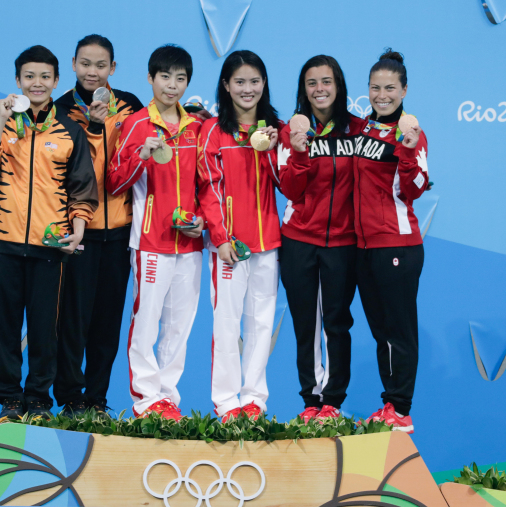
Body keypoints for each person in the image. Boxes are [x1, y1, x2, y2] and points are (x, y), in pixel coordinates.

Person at [0, 45, 98, 423]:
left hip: (50, 245)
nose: (37, 83)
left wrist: (77, 233)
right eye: (29, 76)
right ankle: (9, 399)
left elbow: (82, 189)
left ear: (56, 81)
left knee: (45, 328)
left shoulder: (70, 129)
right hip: (3, 241)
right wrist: (0, 120)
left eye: (44, 76)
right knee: (5, 327)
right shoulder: (2, 123)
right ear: (17, 81)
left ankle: (39, 399)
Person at [106, 44, 203, 421]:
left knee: (180, 325)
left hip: (191, 243)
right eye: (165, 77)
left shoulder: (198, 127)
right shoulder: (134, 125)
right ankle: (146, 400)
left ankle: (168, 398)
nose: (172, 86)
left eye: (180, 79)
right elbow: (114, 182)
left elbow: (208, 186)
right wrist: (140, 156)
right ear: (150, 78)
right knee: (146, 319)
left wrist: (204, 224)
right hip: (150, 242)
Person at [52, 34, 144, 417]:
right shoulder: (59, 111)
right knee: (72, 320)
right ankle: (71, 398)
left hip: (120, 230)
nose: (93, 72)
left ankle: (97, 401)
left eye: (101, 65)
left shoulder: (130, 106)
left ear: (113, 68)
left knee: (107, 323)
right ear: (73, 64)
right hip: (78, 233)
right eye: (86, 64)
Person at [277, 55, 363, 423]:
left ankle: (333, 400)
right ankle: (311, 402)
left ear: (339, 86)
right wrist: (298, 150)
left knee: (337, 322)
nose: (320, 89)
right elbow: (290, 189)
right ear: (304, 90)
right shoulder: (290, 131)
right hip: (299, 239)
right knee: (306, 325)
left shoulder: (358, 131)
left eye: (326, 82)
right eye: (312, 83)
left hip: (343, 243)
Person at [197, 50, 281, 423]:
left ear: (264, 84)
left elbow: (288, 184)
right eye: (240, 82)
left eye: (255, 81)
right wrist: (221, 237)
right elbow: (209, 187)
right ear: (226, 86)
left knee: (262, 322)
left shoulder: (276, 129)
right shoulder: (213, 130)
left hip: (268, 243)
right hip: (231, 246)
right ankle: (227, 401)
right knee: (227, 324)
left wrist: (279, 148)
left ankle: (255, 399)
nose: (248, 89)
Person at [355, 49, 428, 434]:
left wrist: (409, 147)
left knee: (399, 331)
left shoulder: (411, 133)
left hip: (397, 245)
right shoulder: (362, 129)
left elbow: (414, 188)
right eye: (375, 88)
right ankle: (390, 406)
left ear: (403, 91)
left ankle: (401, 408)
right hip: (363, 249)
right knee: (381, 332)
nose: (381, 94)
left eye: (390, 88)